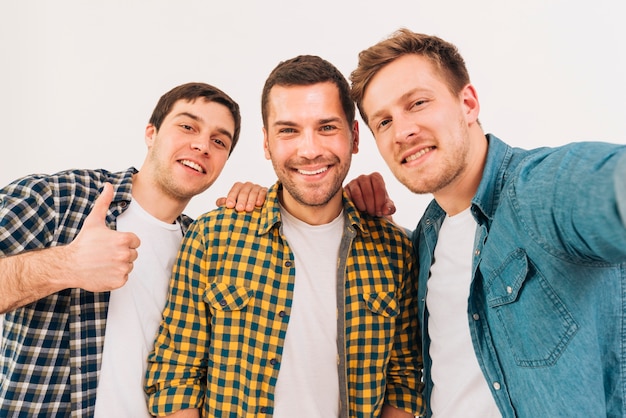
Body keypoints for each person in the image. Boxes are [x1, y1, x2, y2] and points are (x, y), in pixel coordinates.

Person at [345, 28, 626, 417]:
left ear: (469, 103)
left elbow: (608, 185)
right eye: (384, 122)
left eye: (418, 103)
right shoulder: (426, 238)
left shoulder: (539, 191)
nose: (404, 131)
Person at [145, 55, 423, 418]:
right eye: (288, 130)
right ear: (266, 143)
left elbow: (404, 382)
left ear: (354, 137)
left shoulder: (395, 250)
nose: (309, 150)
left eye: (326, 127)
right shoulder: (212, 238)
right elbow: (175, 379)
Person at [0, 82, 266, 417]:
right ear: (151, 133)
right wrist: (66, 264)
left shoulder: (203, 246)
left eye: (219, 141)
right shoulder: (62, 198)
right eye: (188, 126)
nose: (202, 145)